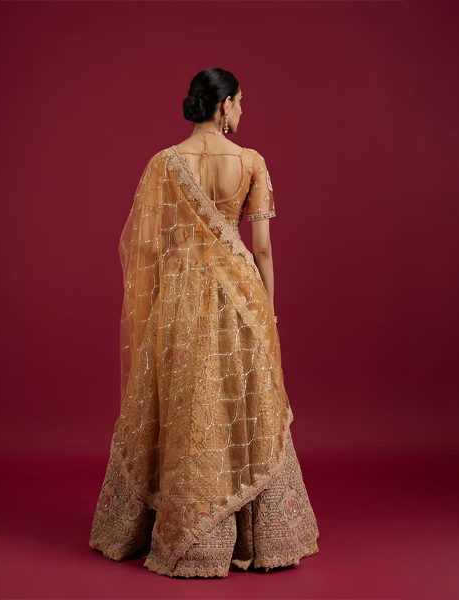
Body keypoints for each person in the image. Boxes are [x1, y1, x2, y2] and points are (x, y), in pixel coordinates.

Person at [89, 68, 319, 578]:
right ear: (224, 104)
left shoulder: (164, 163)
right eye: (240, 102)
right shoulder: (250, 161)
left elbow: (145, 248)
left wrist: (163, 296)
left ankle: (169, 525)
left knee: (187, 397)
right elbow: (262, 248)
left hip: (181, 292)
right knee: (239, 397)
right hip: (239, 291)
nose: (242, 111)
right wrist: (268, 310)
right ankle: (250, 535)